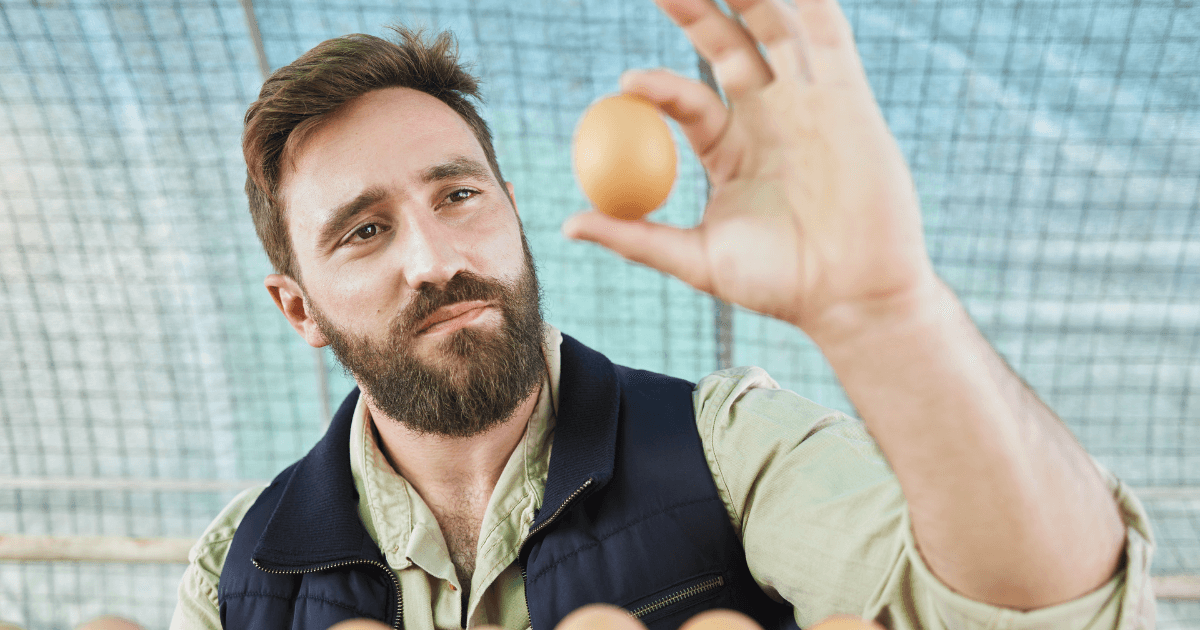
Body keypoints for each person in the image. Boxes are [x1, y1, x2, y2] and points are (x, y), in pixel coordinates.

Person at [171, 0, 1156, 628]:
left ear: (512, 209)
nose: (436, 259)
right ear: (298, 309)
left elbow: (1048, 609)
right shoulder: (237, 572)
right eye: (364, 232)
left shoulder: (726, 450)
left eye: (459, 196)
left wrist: (887, 311)